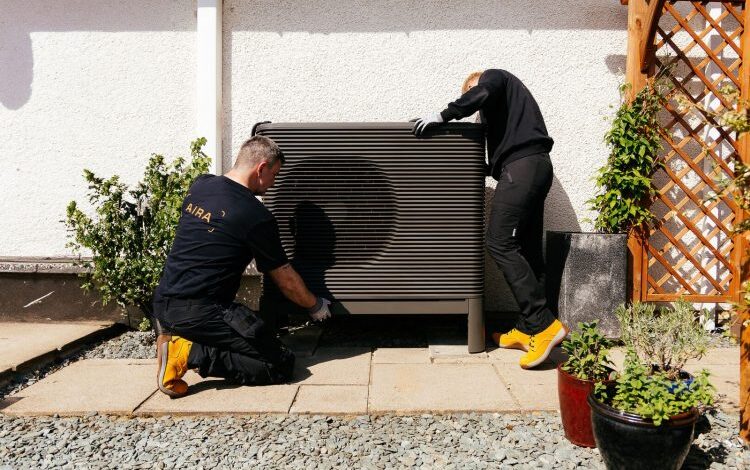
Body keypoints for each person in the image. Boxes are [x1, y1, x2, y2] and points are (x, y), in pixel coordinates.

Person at [152, 136, 332, 398]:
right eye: (274, 174)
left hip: (162, 303)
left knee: (254, 335)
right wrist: (315, 306)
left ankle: (176, 335)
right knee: (280, 364)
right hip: (202, 311)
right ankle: (188, 351)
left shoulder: (202, 185)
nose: (274, 183)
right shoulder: (255, 216)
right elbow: (286, 281)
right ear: (261, 169)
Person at [413, 69, 568, 369]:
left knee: (499, 243)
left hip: (522, 169)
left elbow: (483, 91)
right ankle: (527, 327)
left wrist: (444, 114)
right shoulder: (508, 117)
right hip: (532, 168)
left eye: (473, 90)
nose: (476, 97)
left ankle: (543, 324)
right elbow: (495, 157)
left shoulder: (495, 78)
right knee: (528, 250)